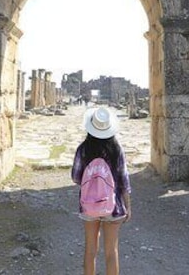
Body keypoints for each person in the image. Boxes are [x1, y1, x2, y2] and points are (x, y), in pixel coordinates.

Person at [71, 106, 132, 275]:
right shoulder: (116, 149)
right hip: (114, 206)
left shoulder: (83, 149)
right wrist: (128, 206)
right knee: (111, 252)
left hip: (89, 206)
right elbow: (124, 180)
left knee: (90, 251)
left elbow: (76, 177)